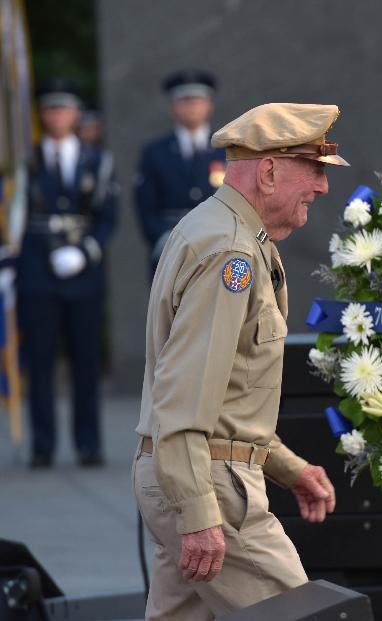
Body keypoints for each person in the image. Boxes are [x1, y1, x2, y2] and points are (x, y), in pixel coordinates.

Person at [133, 102, 346, 619]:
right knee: (306, 616)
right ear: (269, 171)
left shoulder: (220, 232)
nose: (322, 187)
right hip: (211, 486)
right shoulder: (230, 252)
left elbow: (223, 395)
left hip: (191, 475)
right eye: (314, 169)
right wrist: (201, 513)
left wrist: (288, 468)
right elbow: (185, 398)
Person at [18, 79, 118, 469]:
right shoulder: (26, 161)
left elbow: (108, 216)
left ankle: (88, 444)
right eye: (50, 109)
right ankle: (42, 445)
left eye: (64, 109)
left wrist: (87, 251)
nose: (57, 116)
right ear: (42, 116)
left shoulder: (97, 160)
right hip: (37, 272)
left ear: (76, 115)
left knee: (85, 362)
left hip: (83, 275)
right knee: (40, 363)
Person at [134, 69, 226, 276]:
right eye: (184, 101)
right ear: (173, 107)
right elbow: (145, 207)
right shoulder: (154, 153)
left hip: (219, 248)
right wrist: (165, 241)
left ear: (209, 105)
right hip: (170, 249)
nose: (192, 107)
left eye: (198, 100)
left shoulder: (226, 150)